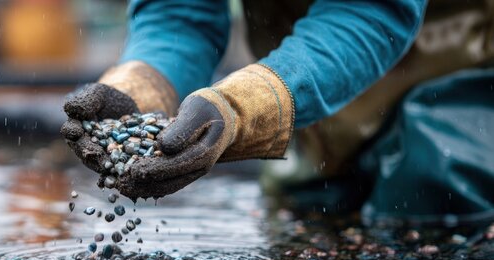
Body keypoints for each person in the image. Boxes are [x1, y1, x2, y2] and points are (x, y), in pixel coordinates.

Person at [62, 0, 494, 227]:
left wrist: (240, 107)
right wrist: (144, 86)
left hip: (457, 95)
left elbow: (371, 10)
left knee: (435, 199)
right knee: (307, 218)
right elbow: (180, 13)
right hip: (312, 118)